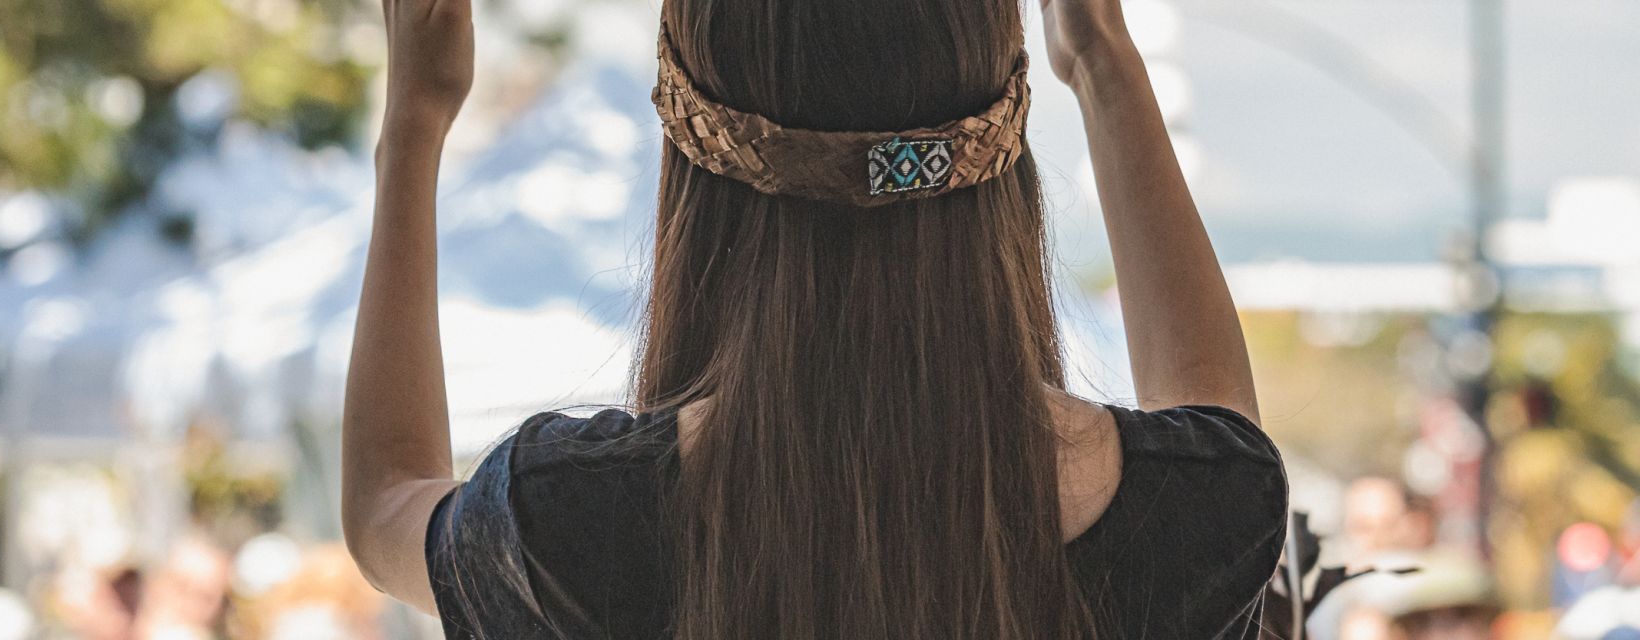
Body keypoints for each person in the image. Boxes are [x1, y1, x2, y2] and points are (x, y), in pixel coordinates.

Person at [341, 0, 1289, 637]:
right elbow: (1217, 422)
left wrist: (414, 126)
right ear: (1005, 150)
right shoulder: (1199, 513)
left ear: (689, 166)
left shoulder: (567, 522)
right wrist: (1105, 65)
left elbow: (385, 501)